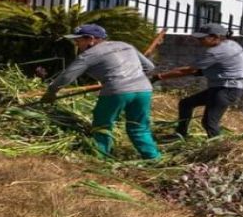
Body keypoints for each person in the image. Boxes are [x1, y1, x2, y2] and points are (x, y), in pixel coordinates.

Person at [43, 24, 160, 160]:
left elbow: (66, 77)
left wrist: (50, 93)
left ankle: (100, 157)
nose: (76, 43)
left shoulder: (88, 55)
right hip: (143, 89)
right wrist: (132, 76)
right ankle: (153, 158)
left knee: (102, 125)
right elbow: (149, 66)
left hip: (116, 91)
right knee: (139, 127)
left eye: (78, 40)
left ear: (91, 39)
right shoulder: (125, 45)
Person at [152, 23, 243, 139]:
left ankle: (217, 149)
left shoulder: (216, 51)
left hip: (225, 90)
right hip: (223, 87)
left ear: (215, 37)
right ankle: (181, 134)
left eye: (202, 38)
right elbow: (217, 68)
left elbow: (188, 70)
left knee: (209, 123)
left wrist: (159, 77)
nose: (199, 40)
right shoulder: (232, 44)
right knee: (186, 103)